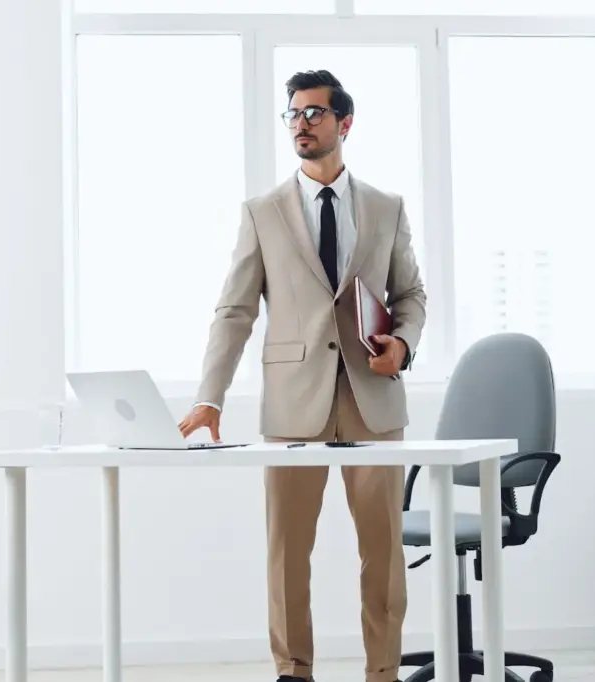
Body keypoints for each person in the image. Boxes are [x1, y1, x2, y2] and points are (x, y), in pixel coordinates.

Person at [178, 70, 426, 682]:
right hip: (293, 404)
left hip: (372, 401)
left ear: (345, 122)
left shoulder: (386, 207)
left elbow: (410, 294)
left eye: (314, 113)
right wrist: (211, 397)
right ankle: (293, 671)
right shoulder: (262, 213)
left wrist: (401, 344)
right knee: (288, 552)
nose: (301, 124)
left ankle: (383, 673)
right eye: (293, 114)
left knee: (382, 554)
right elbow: (235, 311)